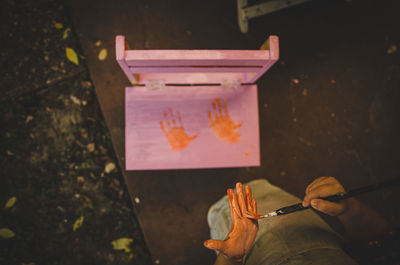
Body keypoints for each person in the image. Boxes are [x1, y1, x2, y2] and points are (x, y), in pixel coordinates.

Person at [204, 177, 396, 265]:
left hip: (254, 251)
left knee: (228, 211)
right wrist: (349, 209)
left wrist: (231, 258)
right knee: (259, 193)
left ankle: (219, 213)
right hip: (312, 236)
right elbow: (383, 245)